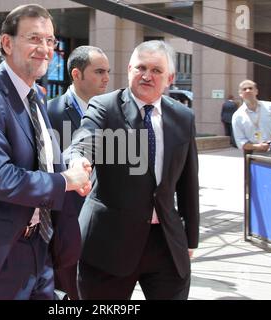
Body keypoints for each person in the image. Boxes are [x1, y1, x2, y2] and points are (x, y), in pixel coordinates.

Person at [0, 4, 91, 300]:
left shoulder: (35, 95)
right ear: (7, 43)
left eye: (50, 41)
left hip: (39, 249)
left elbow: (44, 159)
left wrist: (74, 166)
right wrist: (65, 182)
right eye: (34, 38)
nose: (45, 49)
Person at [68, 40, 200, 300]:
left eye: (156, 70)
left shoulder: (183, 117)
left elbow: (188, 182)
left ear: (170, 78)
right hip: (109, 244)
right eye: (140, 67)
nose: (147, 75)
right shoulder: (105, 107)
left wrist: (190, 237)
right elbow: (85, 138)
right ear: (129, 69)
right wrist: (78, 160)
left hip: (165, 243)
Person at [47, 45, 110, 299]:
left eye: (108, 71)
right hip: (65, 226)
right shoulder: (50, 112)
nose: (106, 77)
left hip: (104, 226)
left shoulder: (112, 111)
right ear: (76, 74)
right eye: (99, 71)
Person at [232, 80, 271, 156]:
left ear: (256, 91)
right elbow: (240, 142)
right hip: (255, 154)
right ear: (240, 94)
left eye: (250, 88)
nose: (248, 90)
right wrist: (258, 146)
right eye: (244, 89)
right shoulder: (237, 116)